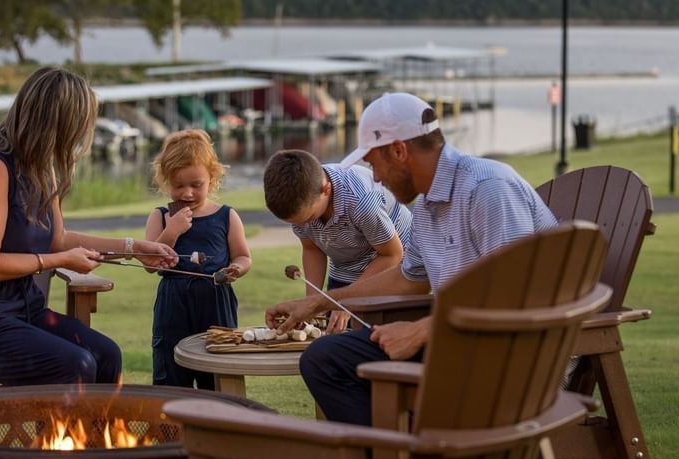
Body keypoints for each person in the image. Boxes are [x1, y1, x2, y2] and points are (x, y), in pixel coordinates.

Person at [266, 92, 557, 426]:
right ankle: (388, 457)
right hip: (459, 342)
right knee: (324, 358)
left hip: (512, 355)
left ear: (399, 151)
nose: (374, 177)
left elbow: (513, 297)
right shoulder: (427, 210)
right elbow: (409, 279)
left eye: (374, 164)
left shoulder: (488, 188)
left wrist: (422, 331)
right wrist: (319, 303)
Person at [0, 66, 178, 386]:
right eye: (76, 127)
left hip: (22, 313)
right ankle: (56, 438)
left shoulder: (40, 168)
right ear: (56, 123)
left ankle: (92, 438)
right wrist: (59, 262)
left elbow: (58, 240)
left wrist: (134, 248)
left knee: (107, 355)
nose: (77, 138)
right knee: (76, 365)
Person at [145, 129, 252, 389]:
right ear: (165, 181)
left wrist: (236, 268)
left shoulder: (226, 216)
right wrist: (172, 231)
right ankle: (170, 428)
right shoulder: (160, 216)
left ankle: (217, 424)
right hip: (173, 303)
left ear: (212, 178)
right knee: (170, 369)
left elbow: (243, 255)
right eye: (178, 185)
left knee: (216, 371)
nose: (187, 194)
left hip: (215, 300)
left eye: (196, 185)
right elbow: (149, 263)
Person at [263, 149, 412, 333]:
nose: (304, 226)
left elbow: (392, 255)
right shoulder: (303, 197)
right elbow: (312, 249)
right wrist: (313, 303)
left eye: (309, 218)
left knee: (376, 344)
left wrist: (349, 301)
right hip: (345, 270)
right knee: (333, 338)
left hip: (391, 271)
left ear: (326, 190)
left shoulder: (362, 201)